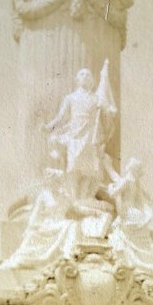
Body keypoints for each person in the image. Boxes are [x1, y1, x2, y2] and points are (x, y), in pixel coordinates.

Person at [45, 61, 117, 201]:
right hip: (75, 134)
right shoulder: (70, 97)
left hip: (91, 135)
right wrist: (48, 127)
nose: (86, 76)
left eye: (89, 75)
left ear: (92, 81)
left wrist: (110, 112)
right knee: (73, 167)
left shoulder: (96, 98)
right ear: (77, 80)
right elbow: (60, 117)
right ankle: (73, 196)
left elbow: (106, 112)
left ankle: (84, 198)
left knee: (90, 171)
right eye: (82, 74)